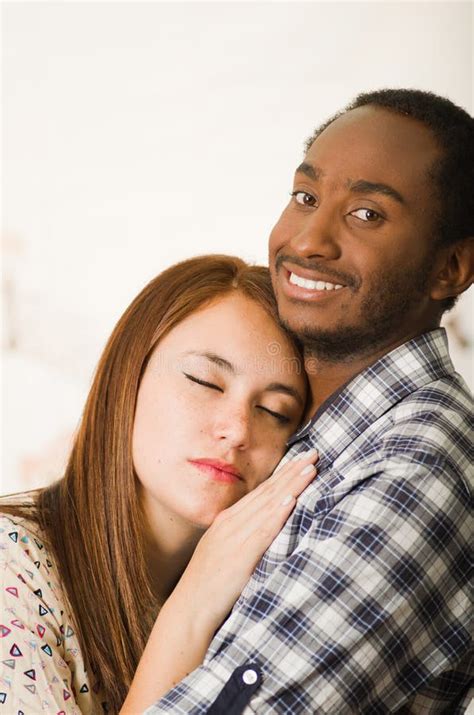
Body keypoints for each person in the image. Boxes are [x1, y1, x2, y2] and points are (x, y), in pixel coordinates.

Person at [143, 89, 474, 713]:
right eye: (306, 197)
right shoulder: (316, 440)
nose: (310, 240)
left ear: (450, 268)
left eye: (368, 214)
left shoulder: (415, 467)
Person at [0, 254, 320, 713]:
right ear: (125, 377)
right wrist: (192, 606)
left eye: (274, 412)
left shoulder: (263, 601)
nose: (238, 429)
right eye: (205, 381)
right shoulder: (13, 567)